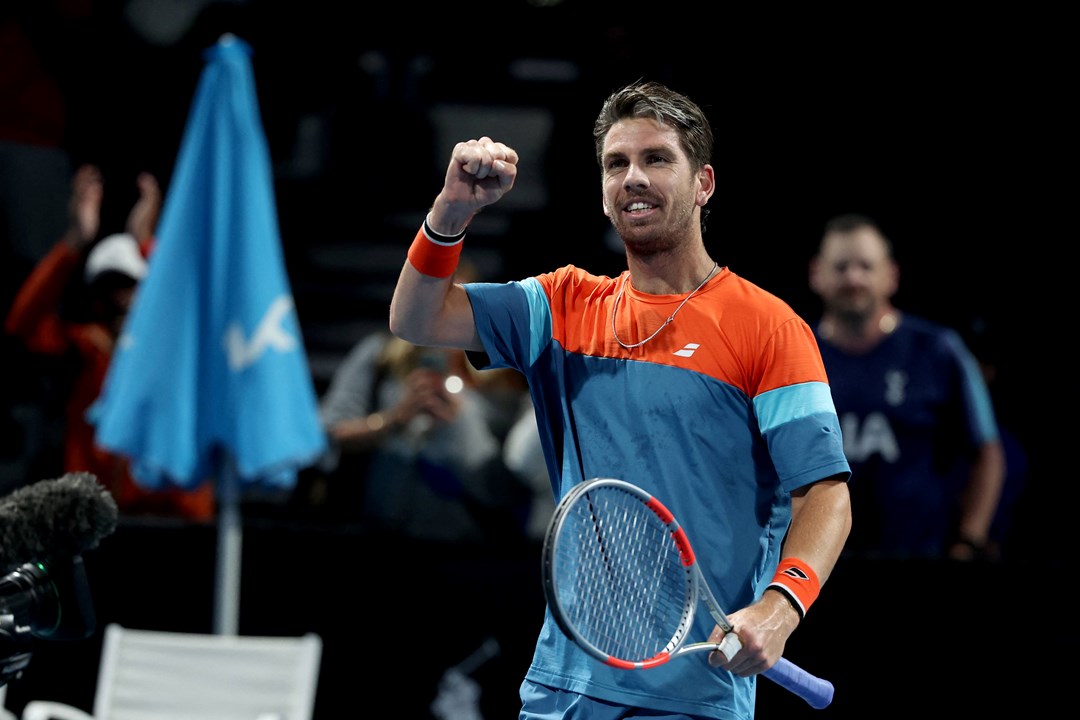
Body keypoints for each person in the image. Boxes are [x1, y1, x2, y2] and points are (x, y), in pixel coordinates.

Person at [388, 80, 852, 720]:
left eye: (657, 159)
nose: (633, 177)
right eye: (616, 164)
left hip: (693, 699)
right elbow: (416, 319)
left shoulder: (769, 327)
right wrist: (451, 211)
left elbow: (826, 495)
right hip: (561, 688)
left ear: (704, 184)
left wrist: (780, 607)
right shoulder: (562, 305)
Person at [3, 164, 215, 520]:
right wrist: (74, 242)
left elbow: (194, 306)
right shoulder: (83, 347)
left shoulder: (174, 346)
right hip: (97, 520)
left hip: (176, 518)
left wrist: (147, 240)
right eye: (108, 287)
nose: (120, 298)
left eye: (129, 285)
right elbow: (22, 324)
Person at [808, 213, 1006, 561]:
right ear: (816, 275)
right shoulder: (793, 351)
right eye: (841, 267)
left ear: (891, 275)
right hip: (818, 571)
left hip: (920, 559)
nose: (853, 278)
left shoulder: (940, 350)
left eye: (866, 266)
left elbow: (986, 451)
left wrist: (968, 542)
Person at [308, 328, 533, 542]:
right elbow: (327, 437)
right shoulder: (382, 354)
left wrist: (462, 425)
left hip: (468, 549)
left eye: (456, 288)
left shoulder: (506, 366)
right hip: (372, 534)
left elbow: (511, 488)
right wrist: (394, 419)